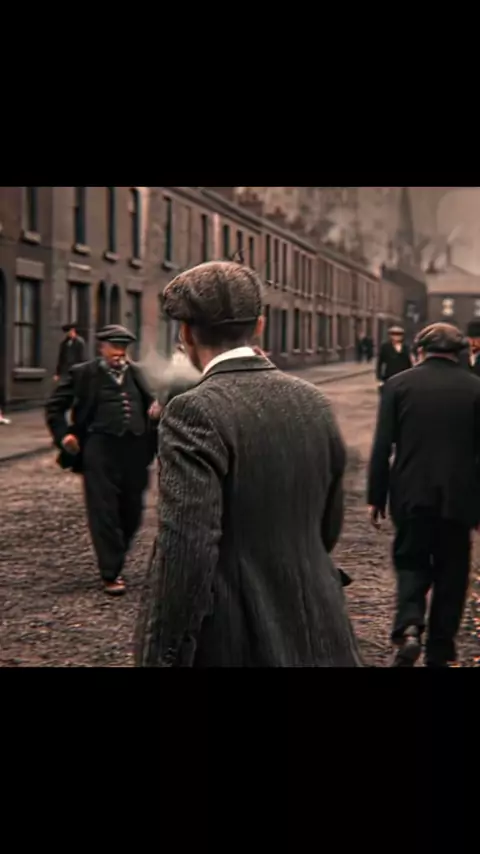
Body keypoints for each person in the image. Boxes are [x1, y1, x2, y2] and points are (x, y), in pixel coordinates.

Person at [135, 260, 362, 667]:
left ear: (185, 334)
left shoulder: (193, 410)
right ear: (259, 325)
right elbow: (327, 526)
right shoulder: (313, 401)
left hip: (237, 639)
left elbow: (186, 549)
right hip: (321, 630)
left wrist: (164, 654)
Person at [367, 322, 480, 667]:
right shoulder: (475, 388)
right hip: (459, 497)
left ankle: (410, 624)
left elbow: (382, 445)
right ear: (459, 352)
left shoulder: (398, 385)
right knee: (453, 571)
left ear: (420, 350)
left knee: (411, 560)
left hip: (411, 492)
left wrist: (377, 495)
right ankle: (440, 649)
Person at [45, 324, 161, 596]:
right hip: (99, 448)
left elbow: (151, 405)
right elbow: (54, 408)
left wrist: (155, 413)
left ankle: (116, 552)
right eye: (114, 347)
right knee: (103, 508)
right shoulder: (83, 374)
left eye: (123, 347)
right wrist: (64, 436)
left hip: (135, 449)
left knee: (133, 510)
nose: (119, 352)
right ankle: (110, 571)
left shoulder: (139, 374)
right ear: (102, 348)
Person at [376, 325, 411, 394]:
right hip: (390, 374)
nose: (396, 337)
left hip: (403, 374)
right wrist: (379, 376)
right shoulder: (385, 347)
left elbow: (408, 361)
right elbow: (380, 362)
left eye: (399, 335)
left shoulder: (406, 347)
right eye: (394, 334)